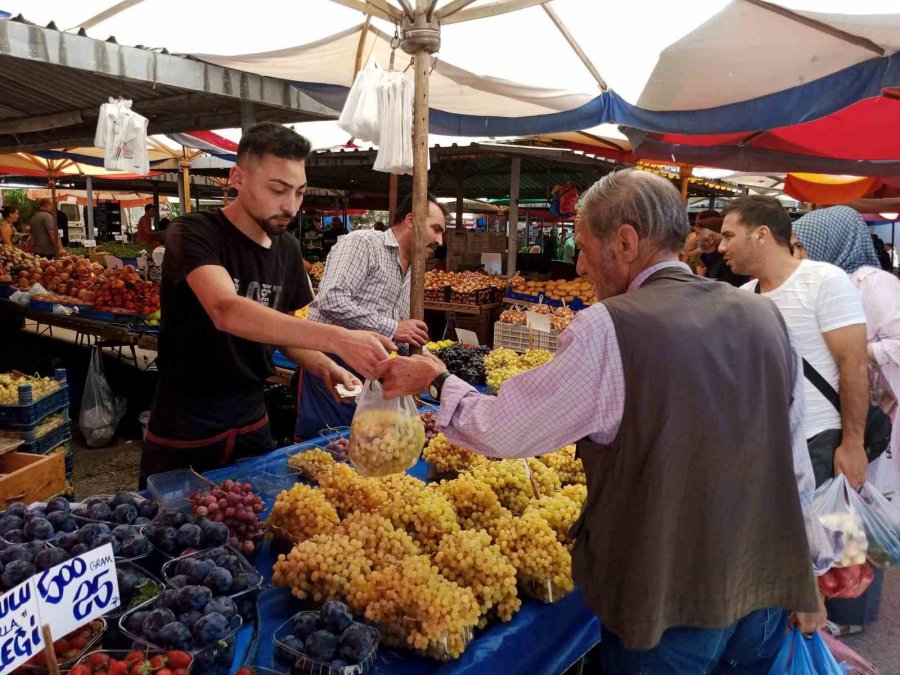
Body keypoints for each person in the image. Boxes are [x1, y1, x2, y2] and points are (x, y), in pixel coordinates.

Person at [379, 170, 839, 674]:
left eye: (582, 246)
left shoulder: (612, 326)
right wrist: (807, 576)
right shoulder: (765, 318)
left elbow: (503, 429)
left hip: (666, 605)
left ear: (624, 241)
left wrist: (439, 380)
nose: (578, 263)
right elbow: (794, 463)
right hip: (765, 593)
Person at [139, 122, 394, 485]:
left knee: (254, 522)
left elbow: (283, 332)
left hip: (252, 417)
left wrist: (325, 367)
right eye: (277, 189)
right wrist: (338, 339)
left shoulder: (287, 248)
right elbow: (226, 309)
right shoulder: (194, 231)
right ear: (238, 177)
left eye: (299, 192)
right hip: (186, 421)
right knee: (173, 531)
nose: (290, 206)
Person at [791, 205, 898, 635]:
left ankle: (853, 610)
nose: (797, 254)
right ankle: (835, 601)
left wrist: (852, 351)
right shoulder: (822, 284)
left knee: (861, 506)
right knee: (839, 508)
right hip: (844, 410)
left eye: (803, 245)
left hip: (875, 418)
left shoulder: (871, 282)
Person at [718, 196, 870, 489]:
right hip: (766, 445)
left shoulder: (824, 280)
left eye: (729, 236)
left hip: (820, 441)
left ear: (761, 234)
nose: (722, 246)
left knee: (825, 533)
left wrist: (852, 444)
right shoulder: (746, 294)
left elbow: (854, 364)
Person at [296, 193, 446, 439]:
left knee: (365, 443)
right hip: (331, 360)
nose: (440, 240)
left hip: (371, 367)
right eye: (436, 229)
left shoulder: (413, 268)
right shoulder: (363, 243)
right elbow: (331, 300)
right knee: (328, 441)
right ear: (411, 220)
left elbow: (399, 330)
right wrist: (392, 328)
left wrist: (425, 357)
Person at [693, 213, 751, 287]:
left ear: (711, 238)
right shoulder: (708, 258)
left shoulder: (728, 262)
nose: (695, 239)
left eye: (698, 234)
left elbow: (723, 293)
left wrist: (702, 279)